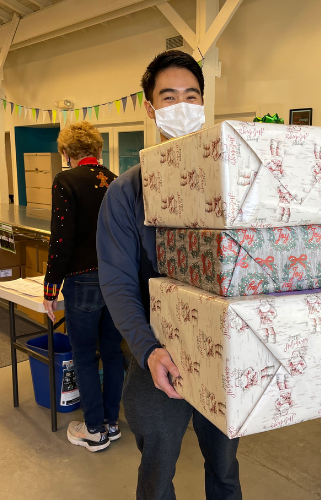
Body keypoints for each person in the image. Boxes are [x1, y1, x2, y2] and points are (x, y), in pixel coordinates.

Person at [97, 50, 242, 499]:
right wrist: (149, 351)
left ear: (203, 104)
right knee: (157, 467)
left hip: (220, 346)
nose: (182, 105)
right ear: (150, 107)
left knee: (224, 463)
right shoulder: (126, 193)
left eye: (191, 95)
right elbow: (118, 283)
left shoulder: (230, 180)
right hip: (160, 349)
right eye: (169, 96)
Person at [43, 121, 124, 453]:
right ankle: (112, 423)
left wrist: (50, 288)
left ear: (65, 153)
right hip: (118, 280)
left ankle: (93, 430)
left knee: (84, 356)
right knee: (112, 352)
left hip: (83, 281)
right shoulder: (117, 181)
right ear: (99, 150)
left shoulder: (65, 181)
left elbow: (62, 240)